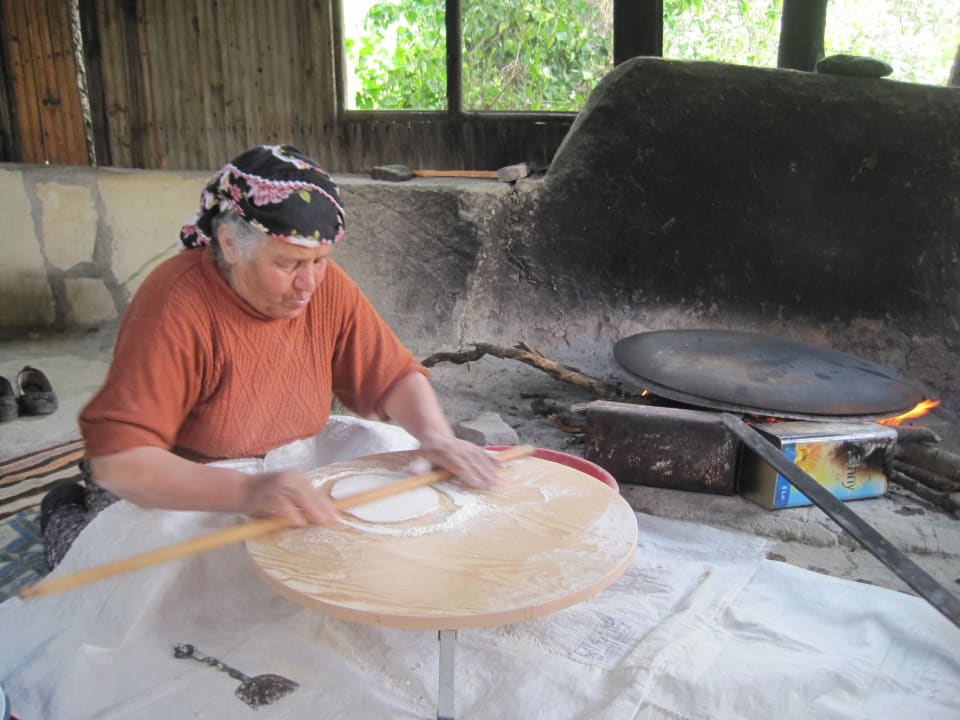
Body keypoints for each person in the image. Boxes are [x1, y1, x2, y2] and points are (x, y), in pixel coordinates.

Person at [40, 144, 499, 568]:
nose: (309, 283)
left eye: (319, 261)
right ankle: (62, 508)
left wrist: (437, 437)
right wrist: (246, 491)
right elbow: (124, 461)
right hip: (188, 483)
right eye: (288, 265)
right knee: (144, 588)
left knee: (401, 468)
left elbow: (391, 374)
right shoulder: (173, 305)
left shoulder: (325, 285)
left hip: (285, 461)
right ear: (229, 245)